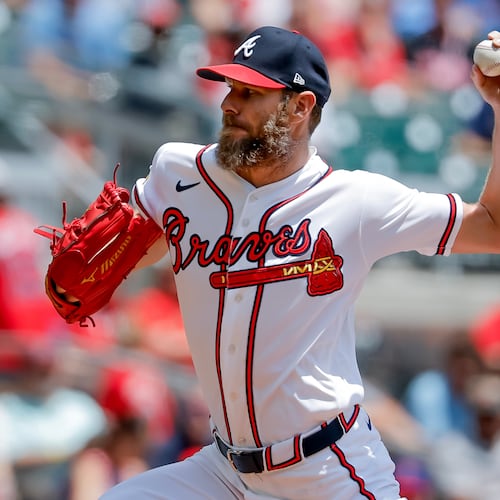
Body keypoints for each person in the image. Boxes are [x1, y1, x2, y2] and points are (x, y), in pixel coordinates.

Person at [51, 25, 500, 499]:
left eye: (250, 92)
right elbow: (110, 262)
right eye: (229, 88)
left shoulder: (356, 201)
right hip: (223, 472)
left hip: (327, 471)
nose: (230, 103)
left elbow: (491, 227)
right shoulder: (178, 175)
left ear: (300, 107)